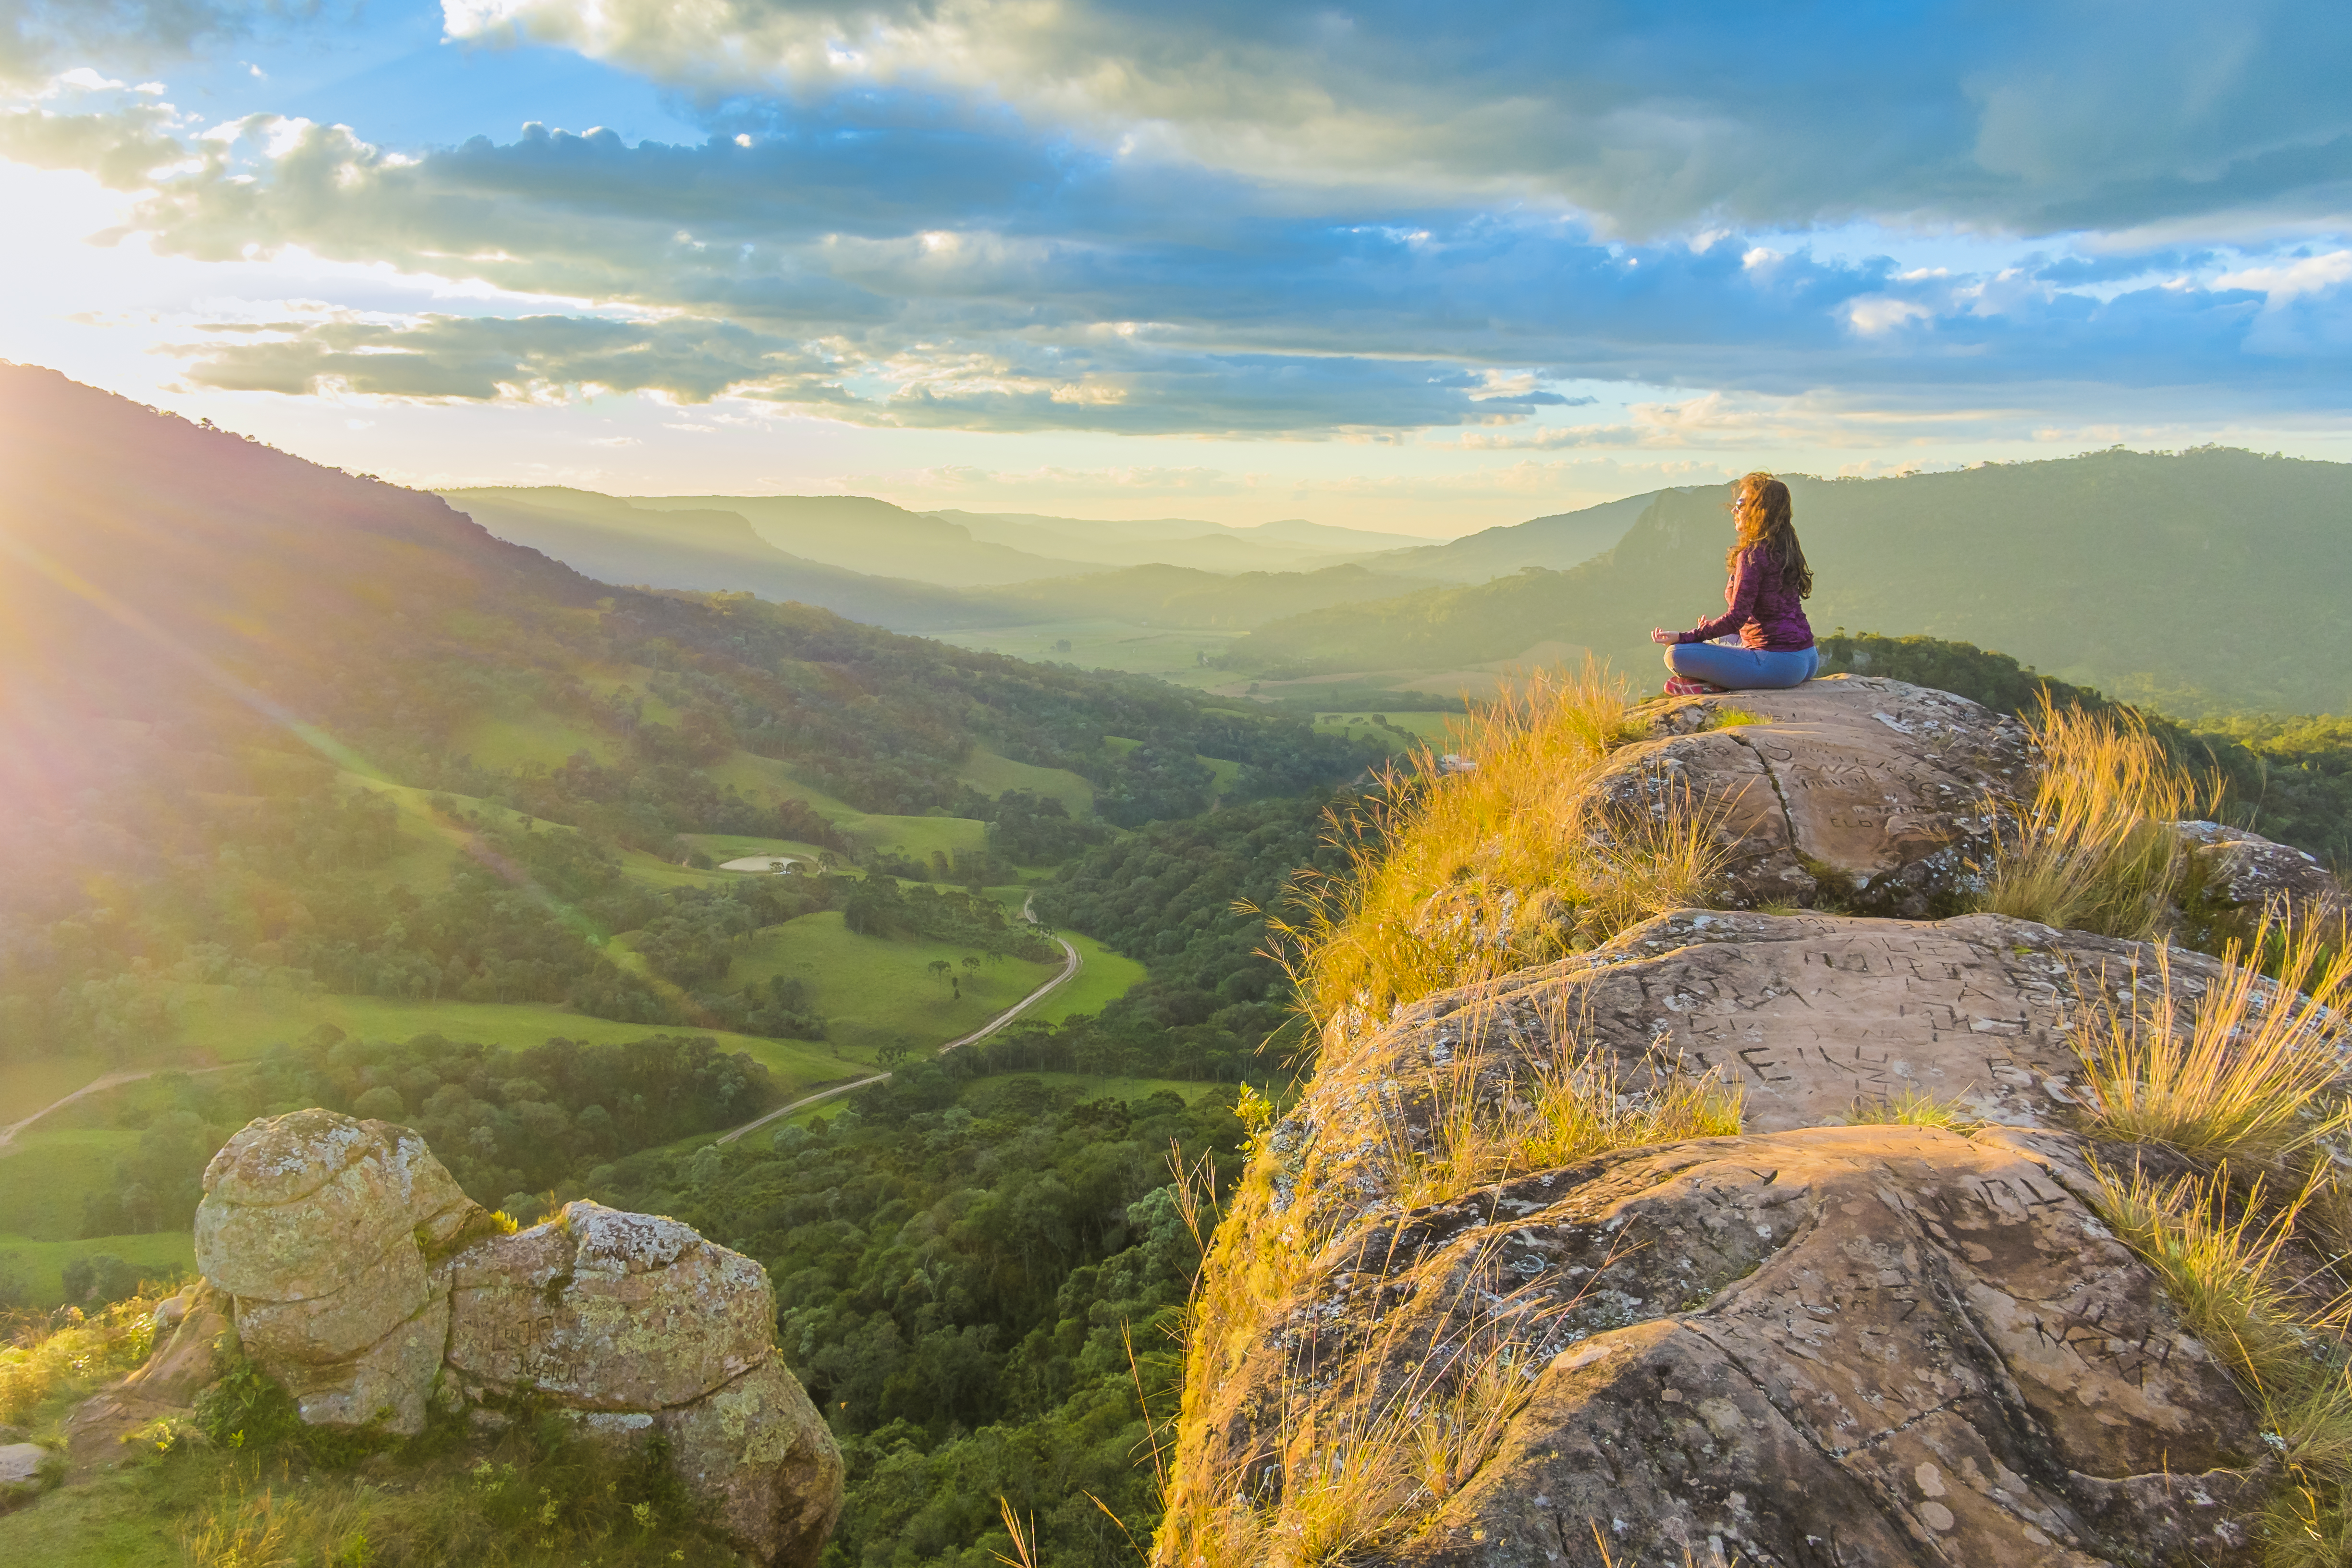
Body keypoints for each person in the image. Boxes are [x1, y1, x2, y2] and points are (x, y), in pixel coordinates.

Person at [1650, 472, 1818, 694]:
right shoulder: (1783, 548)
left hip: (1778, 665)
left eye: (1740, 504)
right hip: (1807, 657)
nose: (1734, 510)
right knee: (1718, 638)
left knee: (1675, 654)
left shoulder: (1754, 555)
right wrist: (1707, 631)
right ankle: (1724, 677)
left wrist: (1685, 637)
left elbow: (1736, 617)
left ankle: (1714, 683)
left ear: (1759, 510)